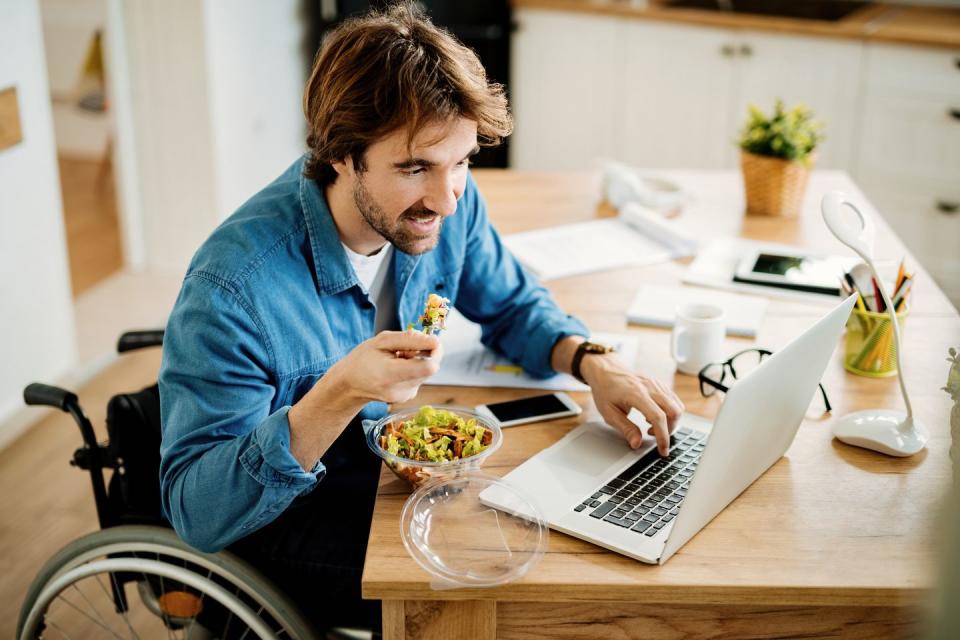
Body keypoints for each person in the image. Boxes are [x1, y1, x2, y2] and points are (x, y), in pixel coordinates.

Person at [158, 2, 684, 633]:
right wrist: (342, 390)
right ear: (343, 157)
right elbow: (199, 514)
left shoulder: (446, 201)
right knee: (489, 595)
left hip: (389, 476)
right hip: (285, 520)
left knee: (562, 549)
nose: (445, 196)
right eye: (415, 169)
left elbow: (512, 302)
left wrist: (591, 360)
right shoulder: (233, 288)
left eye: (461, 161)